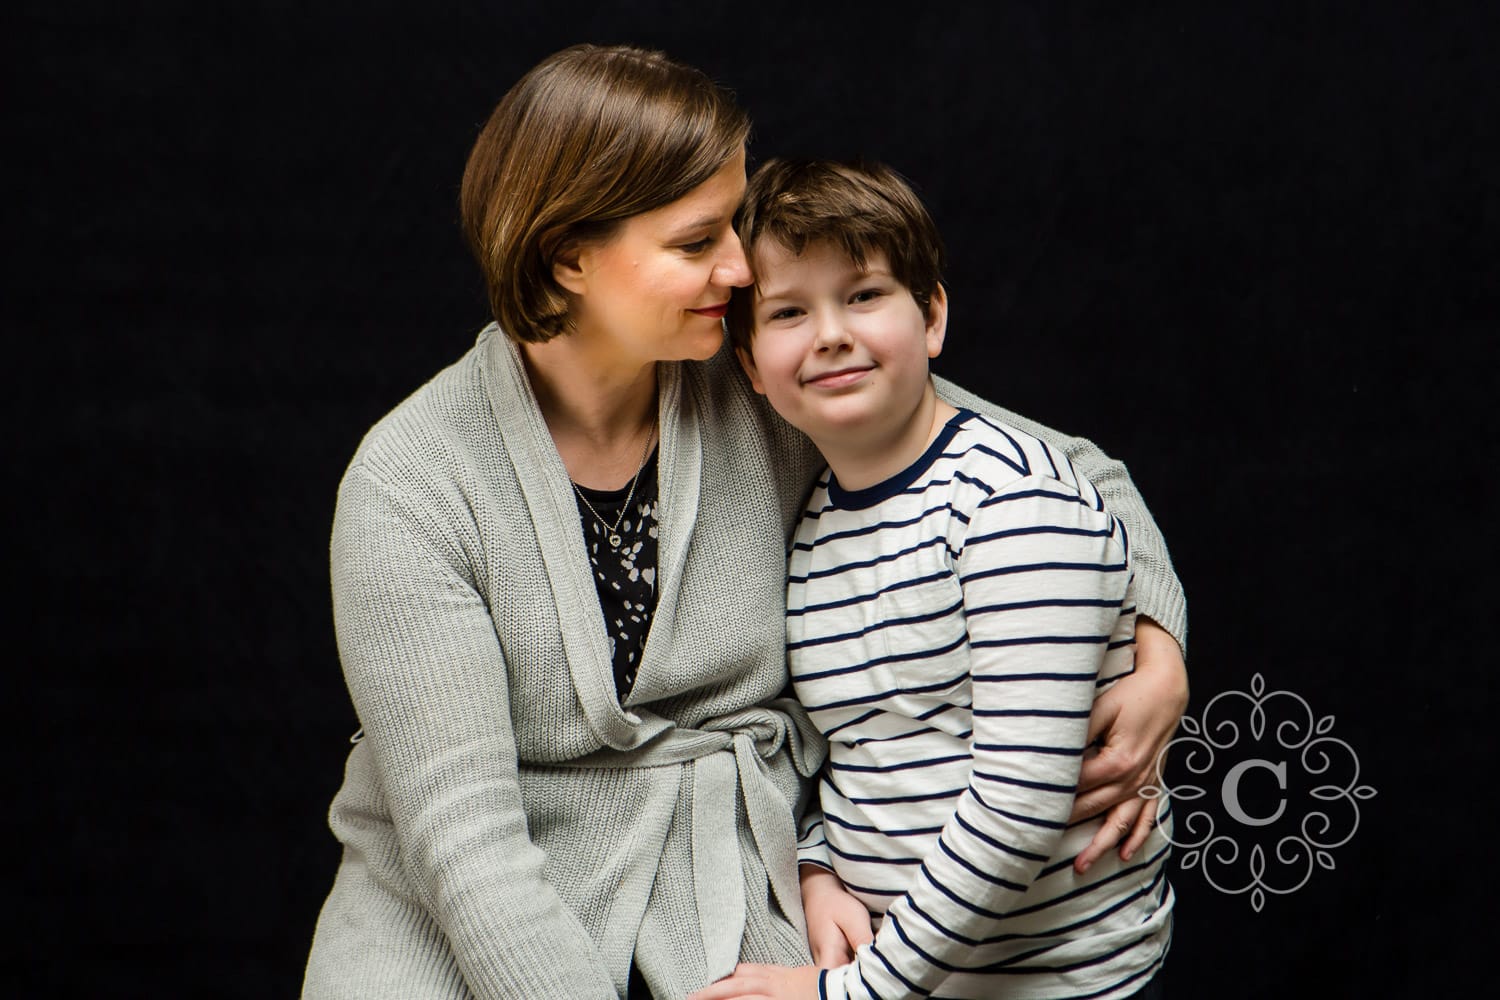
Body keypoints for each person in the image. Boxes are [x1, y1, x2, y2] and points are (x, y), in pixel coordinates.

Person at [300, 44, 1188, 1000]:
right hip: (465, 891)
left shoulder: (768, 380)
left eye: (733, 225)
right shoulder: (414, 482)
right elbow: (466, 845)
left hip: (735, 862)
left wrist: (1158, 649)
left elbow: (1065, 466)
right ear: (569, 261)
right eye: (697, 242)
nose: (740, 267)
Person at [691, 160, 1172, 1000]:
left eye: (865, 295)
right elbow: (861, 746)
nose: (831, 333)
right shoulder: (815, 528)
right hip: (917, 973)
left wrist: (850, 993)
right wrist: (818, 864)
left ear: (933, 318)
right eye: (790, 312)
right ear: (751, 368)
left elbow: (1018, 805)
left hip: (1057, 983)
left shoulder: (1014, 506)